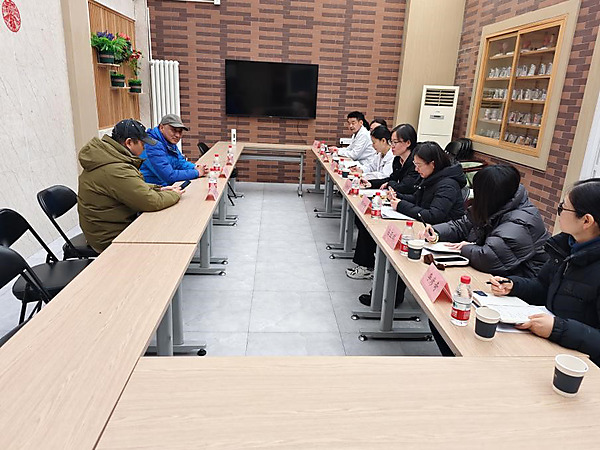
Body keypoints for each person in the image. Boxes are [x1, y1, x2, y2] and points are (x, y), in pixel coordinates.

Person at [489, 178, 600, 365]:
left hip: (577, 366)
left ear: (586, 220)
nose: (559, 213)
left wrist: (558, 328)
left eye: (563, 208)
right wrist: (514, 286)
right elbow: (544, 287)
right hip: (546, 346)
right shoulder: (565, 247)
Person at [420, 164, 549, 277]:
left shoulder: (521, 222)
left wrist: (465, 248)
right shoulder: (496, 204)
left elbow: (488, 258)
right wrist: (436, 232)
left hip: (521, 281)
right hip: (496, 274)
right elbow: (463, 225)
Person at [78, 119, 183, 253]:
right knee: (164, 237)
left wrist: (159, 189)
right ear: (129, 143)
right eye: (142, 143)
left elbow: (130, 185)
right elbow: (150, 202)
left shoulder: (110, 158)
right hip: (109, 237)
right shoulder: (115, 169)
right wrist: (175, 194)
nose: (144, 147)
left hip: (106, 227)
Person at [346, 124, 420, 284]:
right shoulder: (398, 160)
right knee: (365, 219)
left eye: (395, 142)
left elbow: (406, 186)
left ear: (408, 143)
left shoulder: (415, 163)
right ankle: (367, 264)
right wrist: (371, 183)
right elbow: (391, 180)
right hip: (396, 199)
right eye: (391, 142)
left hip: (408, 204)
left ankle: (369, 266)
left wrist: (391, 185)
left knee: (372, 223)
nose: (392, 145)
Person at [389, 141, 466, 224]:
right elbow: (417, 199)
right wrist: (397, 196)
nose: (416, 169)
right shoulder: (431, 176)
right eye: (415, 164)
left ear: (432, 164)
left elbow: (433, 216)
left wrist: (401, 205)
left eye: (419, 165)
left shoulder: (448, 186)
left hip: (442, 229)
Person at [140, 114, 206, 186]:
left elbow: (180, 162)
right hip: (154, 188)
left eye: (180, 131)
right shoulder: (151, 145)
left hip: (167, 186)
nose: (178, 135)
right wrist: (197, 173)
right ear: (161, 128)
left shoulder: (168, 141)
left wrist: (195, 167)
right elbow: (168, 176)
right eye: (174, 130)